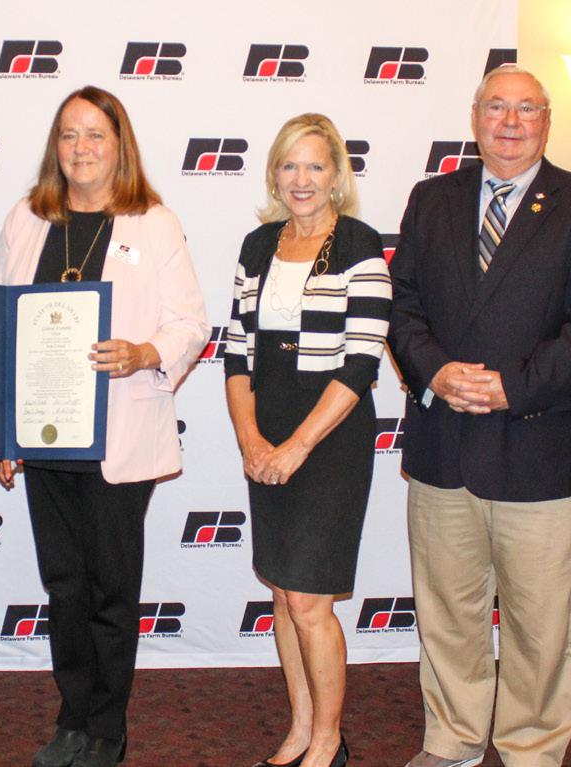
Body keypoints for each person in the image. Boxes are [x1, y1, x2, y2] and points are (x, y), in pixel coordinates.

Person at [386, 65, 571, 767]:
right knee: (447, 611)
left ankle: (531, 749)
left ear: (547, 121)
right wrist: (436, 371)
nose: (510, 121)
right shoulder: (431, 199)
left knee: (540, 623)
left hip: (537, 447)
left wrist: (509, 387)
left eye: (526, 109)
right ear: (475, 117)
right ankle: (453, 739)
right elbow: (402, 306)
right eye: (496, 107)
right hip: (444, 445)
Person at [0, 86, 208, 767]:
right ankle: (72, 716)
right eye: (68, 134)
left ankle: (106, 726)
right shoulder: (26, 217)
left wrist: (144, 353)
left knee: (111, 590)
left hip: (118, 437)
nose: (80, 147)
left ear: (119, 146)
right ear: (54, 146)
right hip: (42, 436)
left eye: (95, 135)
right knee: (63, 586)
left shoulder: (154, 222)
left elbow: (190, 324)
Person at [223, 113, 389, 767]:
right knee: (282, 593)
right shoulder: (257, 244)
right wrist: (251, 440)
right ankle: (298, 728)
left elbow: (361, 361)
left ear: (336, 175)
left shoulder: (358, 243)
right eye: (289, 165)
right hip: (265, 431)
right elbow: (237, 352)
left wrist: (296, 446)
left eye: (315, 165)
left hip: (330, 436)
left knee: (310, 600)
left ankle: (327, 740)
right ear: (274, 174)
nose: (302, 179)